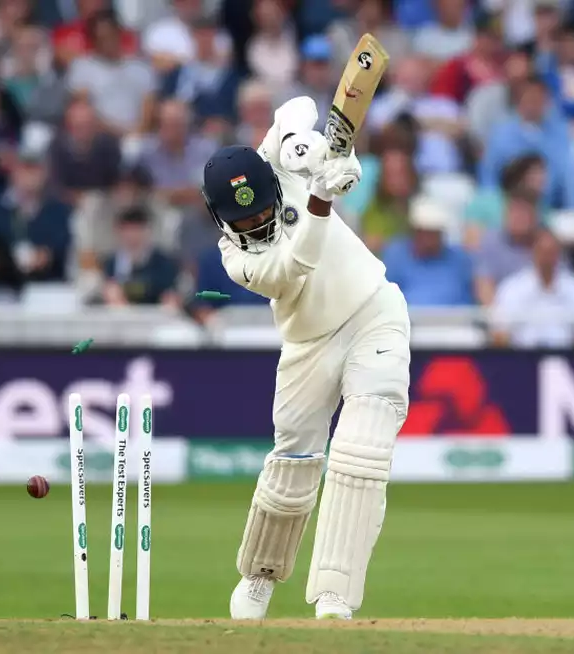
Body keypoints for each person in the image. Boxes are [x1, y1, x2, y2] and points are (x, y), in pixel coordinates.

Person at [202, 97, 410, 621]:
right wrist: (320, 194)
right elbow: (300, 260)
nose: (257, 221)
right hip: (308, 343)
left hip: (373, 311)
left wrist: (314, 147)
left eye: (263, 209)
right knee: (293, 464)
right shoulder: (237, 258)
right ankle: (261, 574)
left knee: (361, 451)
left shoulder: (271, 161)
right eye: (244, 218)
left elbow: (297, 107)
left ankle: (335, 594)